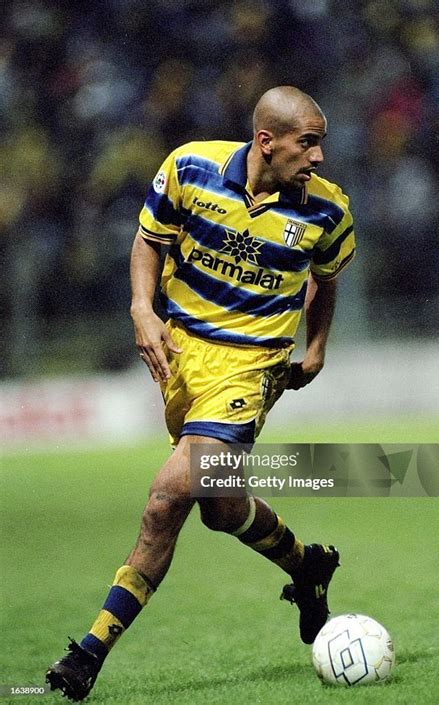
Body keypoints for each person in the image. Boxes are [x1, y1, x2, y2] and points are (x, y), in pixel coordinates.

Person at [46, 86, 356, 701]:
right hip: (184, 360)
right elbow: (149, 240)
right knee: (218, 507)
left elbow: (326, 280)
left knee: (165, 501)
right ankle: (306, 565)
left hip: (252, 368)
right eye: (309, 142)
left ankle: (89, 652)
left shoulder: (328, 211)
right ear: (266, 141)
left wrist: (315, 346)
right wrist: (141, 306)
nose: (320, 157)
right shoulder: (189, 167)